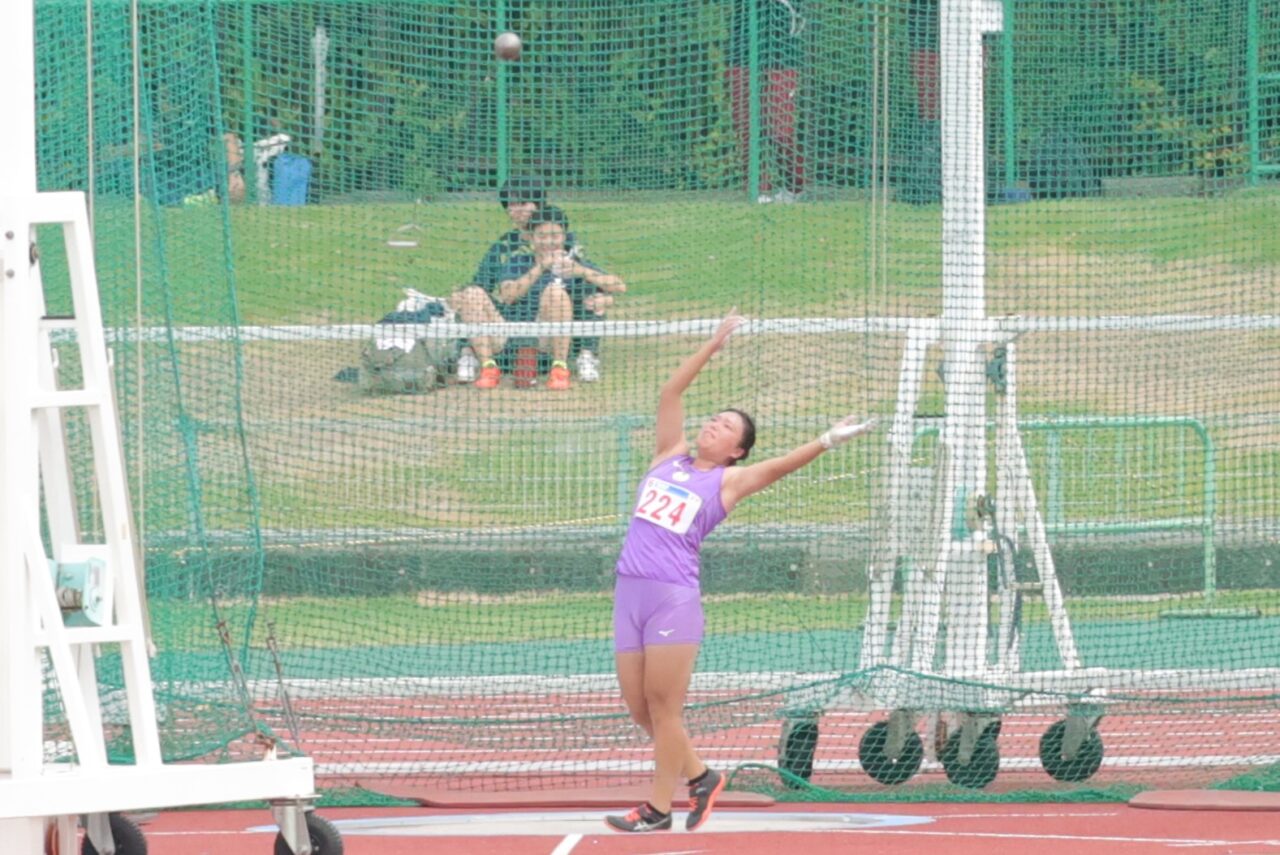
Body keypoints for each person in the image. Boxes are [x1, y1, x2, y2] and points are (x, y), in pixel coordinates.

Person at [604, 311, 876, 832]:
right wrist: (712, 345)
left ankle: (658, 810)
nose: (714, 424)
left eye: (727, 426)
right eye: (715, 417)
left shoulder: (728, 482)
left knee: (665, 710)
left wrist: (828, 439)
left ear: (737, 450)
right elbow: (670, 393)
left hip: (671, 600)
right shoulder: (668, 457)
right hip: (628, 596)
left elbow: (780, 467)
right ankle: (702, 777)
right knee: (642, 713)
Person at [452, 205, 625, 391]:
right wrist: (540, 267)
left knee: (555, 293)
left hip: (546, 343)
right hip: (507, 338)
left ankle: (559, 369)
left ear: (564, 237)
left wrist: (582, 271)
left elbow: (619, 286)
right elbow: (508, 295)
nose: (548, 242)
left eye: (555, 236)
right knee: (472, 293)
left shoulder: (574, 263)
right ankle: (488, 368)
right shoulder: (518, 261)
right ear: (531, 238)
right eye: (542, 236)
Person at [727, 0, 806, 203]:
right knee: (745, 126)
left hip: (783, 55)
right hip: (742, 52)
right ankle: (759, 190)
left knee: (780, 129)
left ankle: (794, 188)